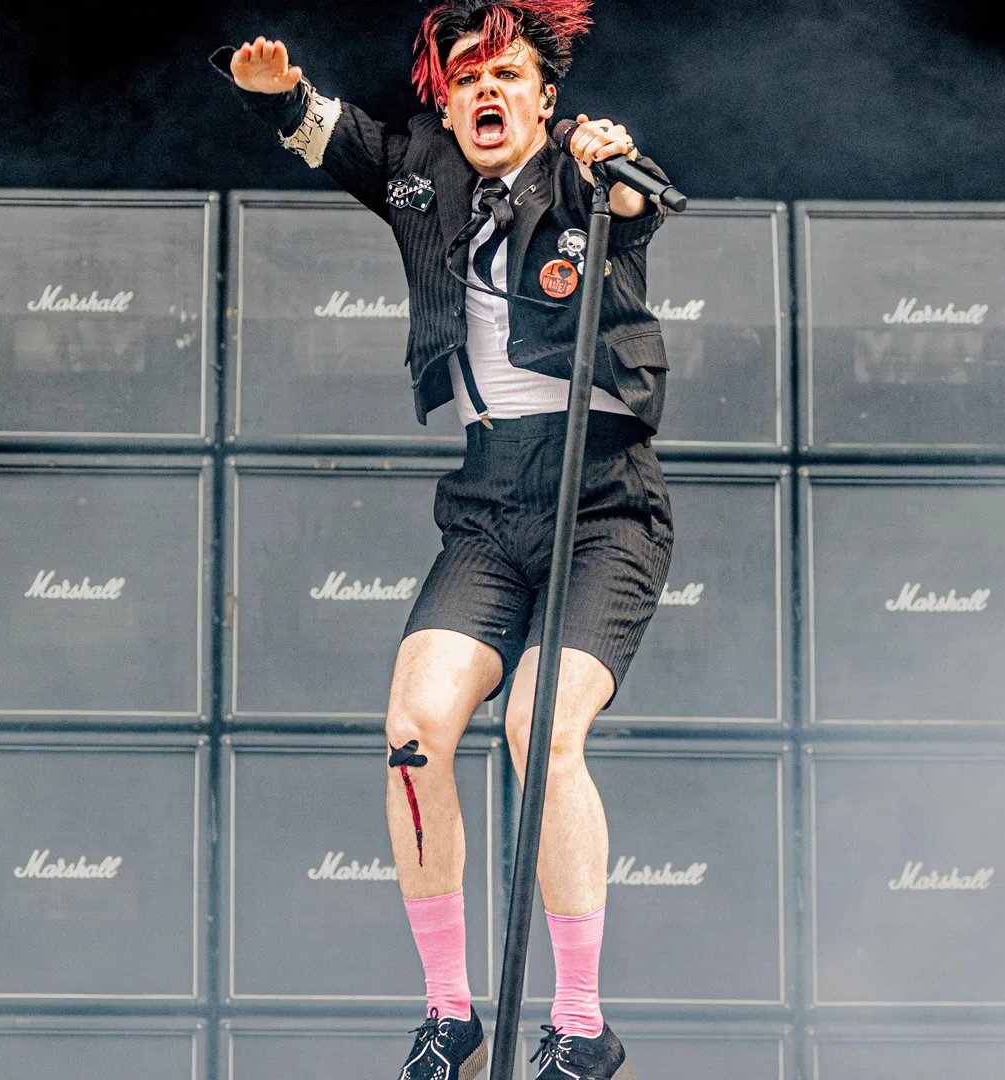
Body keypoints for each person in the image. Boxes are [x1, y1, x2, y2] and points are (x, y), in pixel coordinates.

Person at [215, 2, 673, 1078]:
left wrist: (615, 167)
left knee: (536, 731)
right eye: (465, 76)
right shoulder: (420, 167)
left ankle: (580, 1026)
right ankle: (450, 1015)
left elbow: (632, 210)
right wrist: (277, 92)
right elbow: (335, 136)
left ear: (544, 95)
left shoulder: (583, 172)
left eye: (506, 74)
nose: (485, 92)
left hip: (600, 498)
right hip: (487, 498)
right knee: (416, 725)